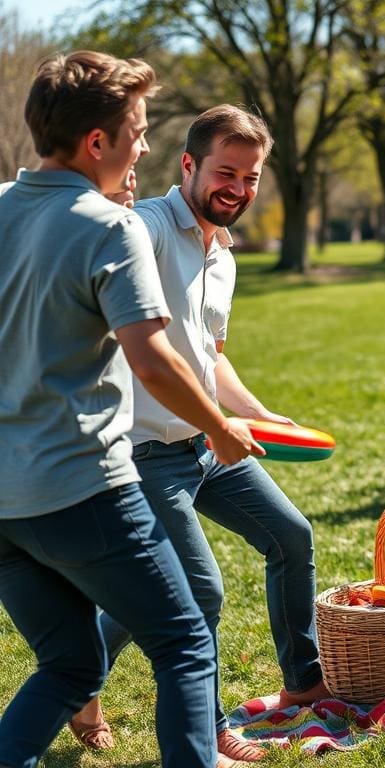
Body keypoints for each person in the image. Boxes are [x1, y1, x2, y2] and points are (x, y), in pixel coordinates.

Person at [0, 51, 263, 768]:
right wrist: (219, 425)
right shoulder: (107, 226)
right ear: (98, 142)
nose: (145, 148)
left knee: (70, 664)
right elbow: (151, 358)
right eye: (139, 132)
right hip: (79, 486)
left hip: (5, 500)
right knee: (185, 638)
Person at [72, 105, 326, 765]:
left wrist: (262, 413)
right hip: (144, 454)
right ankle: (207, 730)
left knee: (291, 536)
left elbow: (211, 354)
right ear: (188, 164)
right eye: (225, 172)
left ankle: (303, 681)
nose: (238, 188)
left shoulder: (224, 254)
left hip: (209, 443)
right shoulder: (149, 229)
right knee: (198, 590)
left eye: (250, 176)